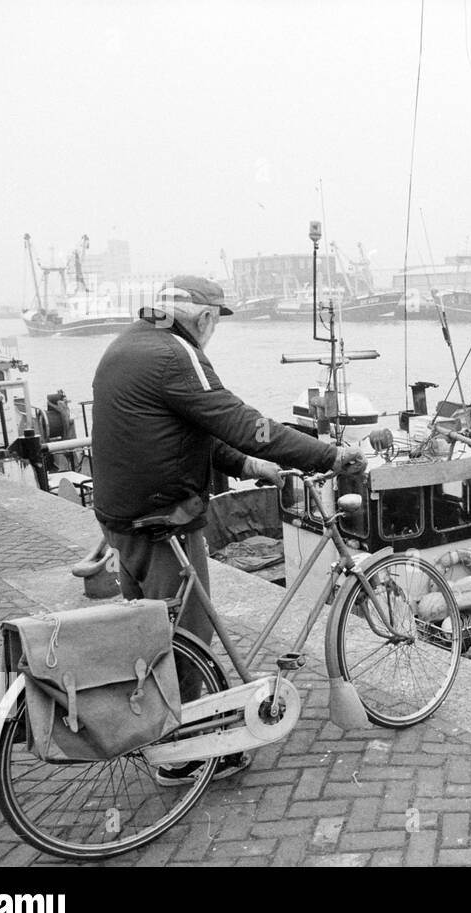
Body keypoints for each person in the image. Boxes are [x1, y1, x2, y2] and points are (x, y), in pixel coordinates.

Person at [91, 275, 364, 785]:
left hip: (121, 520)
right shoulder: (177, 353)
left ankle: (156, 729)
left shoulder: (129, 345)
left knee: (150, 637)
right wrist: (329, 454)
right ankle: (182, 755)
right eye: (216, 320)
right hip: (163, 522)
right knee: (187, 638)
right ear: (203, 317)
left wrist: (250, 467)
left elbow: (189, 431)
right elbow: (242, 422)